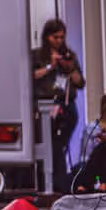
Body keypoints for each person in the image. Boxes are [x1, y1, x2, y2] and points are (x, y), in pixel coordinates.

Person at [33, 18, 85, 190]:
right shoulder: (37, 56)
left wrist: (69, 68)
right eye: (55, 37)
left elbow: (80, 83)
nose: (59, 41)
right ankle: (50, 183)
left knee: (58, 145)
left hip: (66, 106)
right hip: (44, 107)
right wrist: (51, 66)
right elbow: (31, 76)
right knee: (47, 145)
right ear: (47, 37)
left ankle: (58, 184)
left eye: (62, 37)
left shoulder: (69, 55)